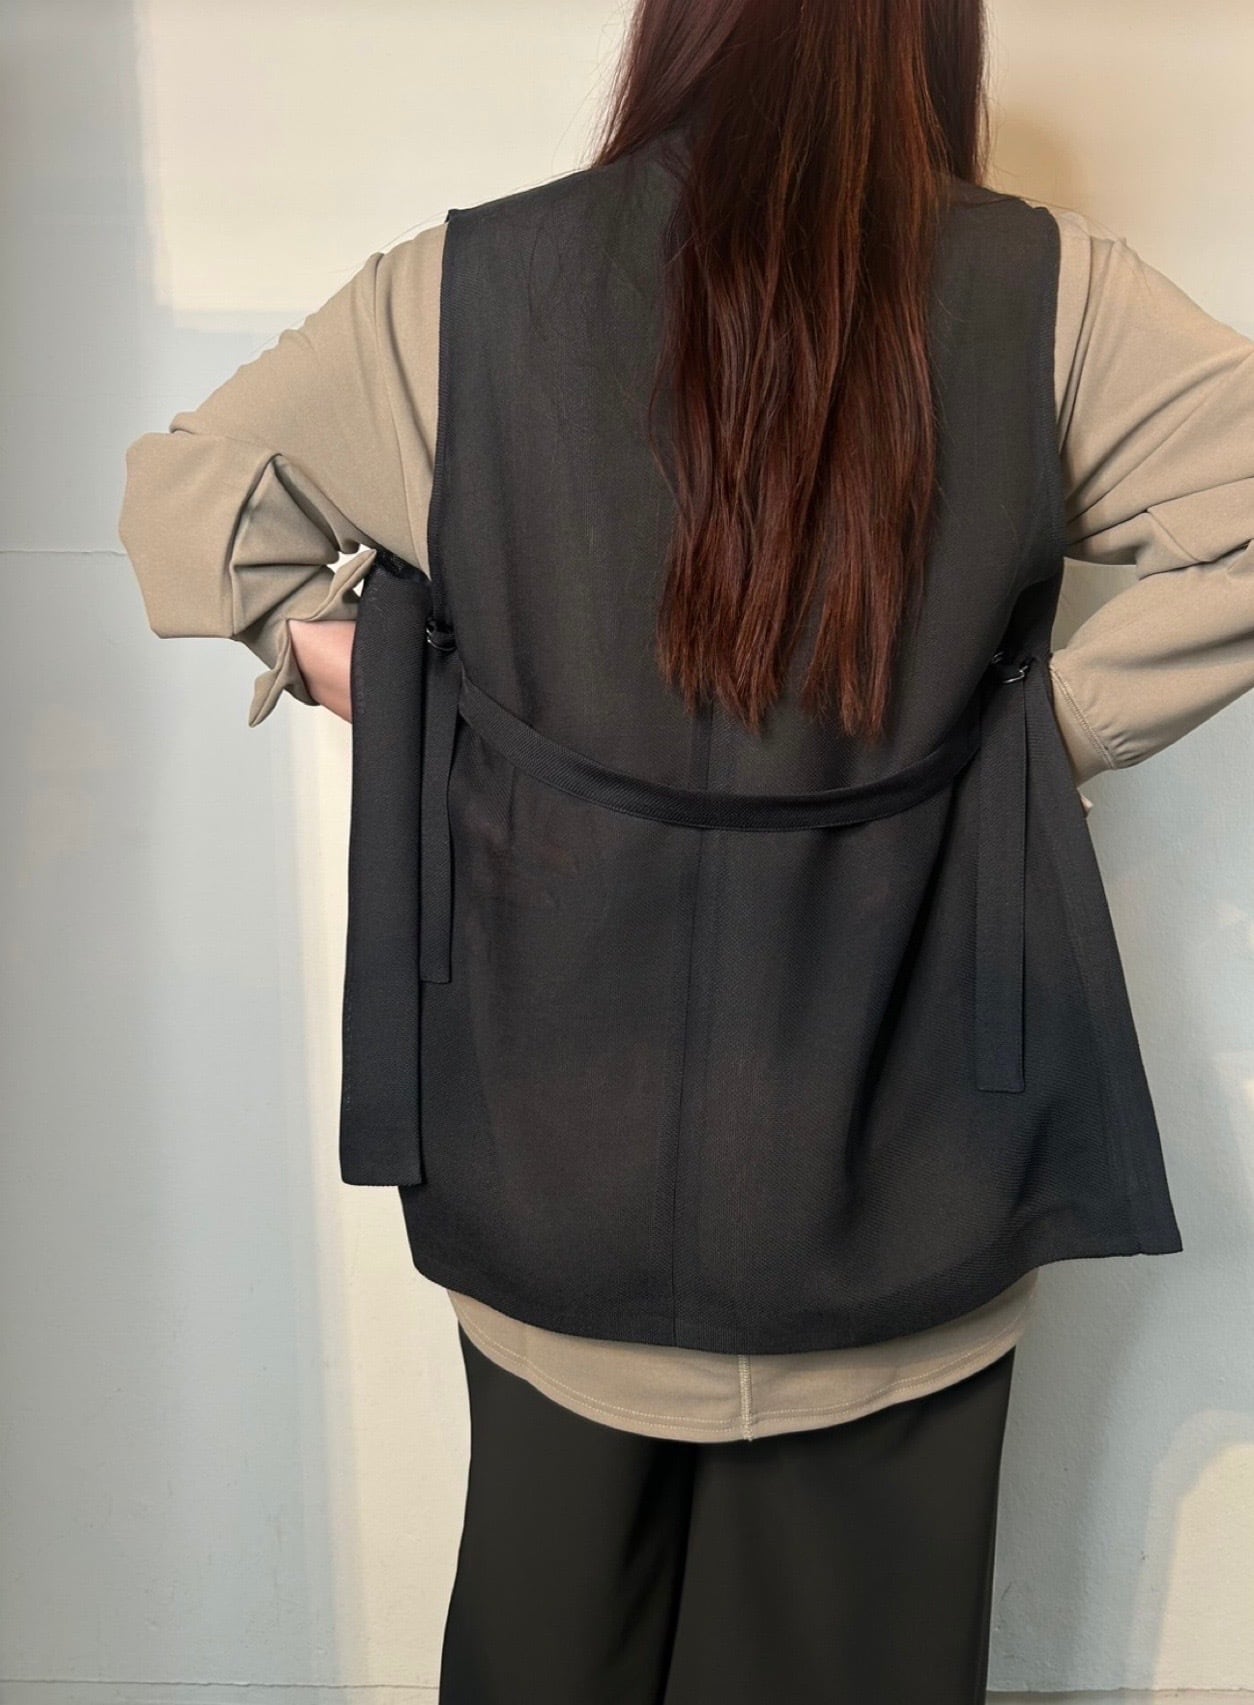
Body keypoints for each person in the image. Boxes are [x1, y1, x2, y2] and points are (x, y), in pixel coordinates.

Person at [118, 1, 1254, 1698]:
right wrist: (1036, 743)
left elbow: (188, 498)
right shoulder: (1043, 297)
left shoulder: (468, 294)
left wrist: (388, 683)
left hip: (550, 1162)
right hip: (905, 1171)